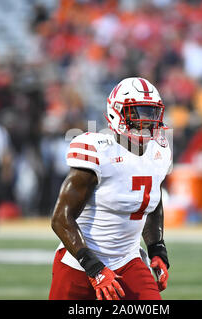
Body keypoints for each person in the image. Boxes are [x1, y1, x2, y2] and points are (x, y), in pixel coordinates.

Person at [49, 77, 172, 300]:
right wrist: (94, 268)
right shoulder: (97, 151)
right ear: (117, 113)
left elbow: (152, 201)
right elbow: (60, 218)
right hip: (79, 263)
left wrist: (157, 248)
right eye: (138, 112)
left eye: (150, 113)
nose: (145, 121)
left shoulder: (160, 151)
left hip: (127, 260)